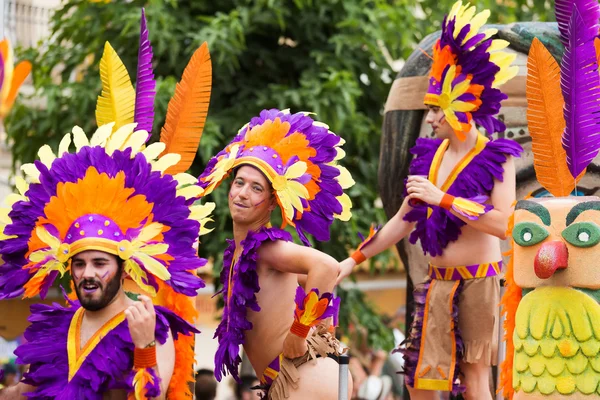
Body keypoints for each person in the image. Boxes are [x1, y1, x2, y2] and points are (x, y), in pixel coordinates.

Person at [0, 9, 214, 399]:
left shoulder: (150, 322)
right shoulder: (58, 326)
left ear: (122, 265)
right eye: (80, 264)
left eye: (99, 263)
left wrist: (145, 344)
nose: (87, 273)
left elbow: (153, 394)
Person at [336, 2, 522, 399]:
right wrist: (352, 261)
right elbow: (403, 219)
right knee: (419, 378)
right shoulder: (430, 154)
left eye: (437, 109)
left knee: (474, 378)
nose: (432, 118)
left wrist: (444, 199)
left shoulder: (497, 157)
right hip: (435, 284)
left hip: (479, 281)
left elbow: (504, 223)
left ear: (463, 108)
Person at [197, 109, 355, 399]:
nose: (243, 193)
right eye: (239, 182)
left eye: (256, 188)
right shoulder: (243, 253)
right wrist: (325, 326)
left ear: (272, 203)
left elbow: (327, 267)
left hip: (300, 377)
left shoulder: (267, 249)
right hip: (290, 379)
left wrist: (299, 331)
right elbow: (313, 282)